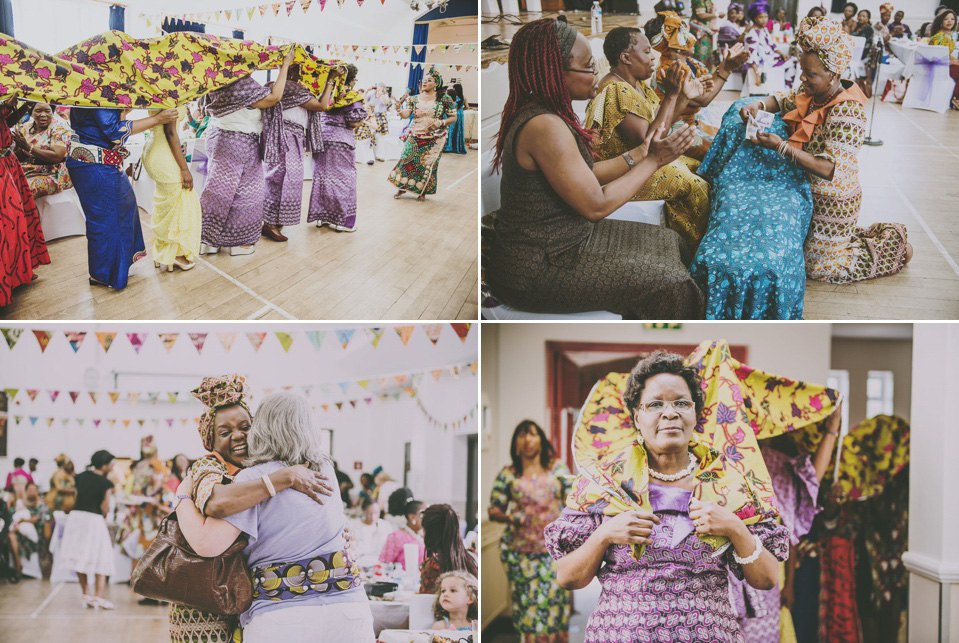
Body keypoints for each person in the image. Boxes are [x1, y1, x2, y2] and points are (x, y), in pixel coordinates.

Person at [545, 351, 789, 642]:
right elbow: (567, 577)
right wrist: (604, 535)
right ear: (637, 416)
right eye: (655, 404)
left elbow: (766, 579)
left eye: (681, 403)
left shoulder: (730, 483)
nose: (670, 413)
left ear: (696, 414)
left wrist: (735, 527)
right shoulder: (606, 483)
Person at [484, 17, 704, 319]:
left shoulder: (547, 114)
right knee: (672, 283)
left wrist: (640, 153)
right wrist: (654, 160)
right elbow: (595, 205)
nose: (597, 74)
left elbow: (586, 175)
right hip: (539, 266)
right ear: (556, 72)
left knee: (671, 241)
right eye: (589, 67)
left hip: (568, 238)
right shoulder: (544, 126)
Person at [173, 392, 374, 642]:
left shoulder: (251, 480)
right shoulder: (325, 468)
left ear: (261, 428)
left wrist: (182, 497)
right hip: (349, 607)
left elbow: (206, 543)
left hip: (282, 614)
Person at [741, 16, 911, 284]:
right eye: (802, 71)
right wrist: (759, 105)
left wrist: (780, 146)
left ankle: (893, 249)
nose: (803, 79)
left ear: (833, 74)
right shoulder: (814, 91)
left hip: (834, 200)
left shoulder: (848, 111)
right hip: (808, 190)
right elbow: (783, 100)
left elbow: (828, 168)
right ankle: (846, 240)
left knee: (821, 270)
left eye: (810, 74)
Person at [588, 27, 713, 253]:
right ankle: (696, 255)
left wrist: (683, 98)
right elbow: (649, 141)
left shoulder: (639, 85)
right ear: (625, 57)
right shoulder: (616, 89)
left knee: (704, 167)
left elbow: (659, 124)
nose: (653, 58)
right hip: (624, 172)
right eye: (647, 52)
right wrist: (673, 95)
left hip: (645, 160)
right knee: (696, 186)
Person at [729, 408, 842, 641]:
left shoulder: (774, 466)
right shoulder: (718, 464)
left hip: (765, 580)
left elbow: (810, 483)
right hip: (726, 583)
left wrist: (832, 427)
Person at [198, 48, 294, 256]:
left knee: (217, 192)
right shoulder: (241, 83)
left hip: (218, 137)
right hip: (239, 141)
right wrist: (284, 66)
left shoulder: (216, 79)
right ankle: (238, 243)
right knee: (246, 192)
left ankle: (208, 241)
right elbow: (274, 98)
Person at [68, 106, 177, 288]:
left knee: (120, 210)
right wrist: (158, 119)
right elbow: (114, 130)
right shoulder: (100, 86)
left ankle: (112, 267)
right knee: (106, 219)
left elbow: (101, 120)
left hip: (95, 162)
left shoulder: (92, 86)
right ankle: (103, 274)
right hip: (95, 164)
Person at [488, 420, 572, 643]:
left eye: (533, 434)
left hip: (554, 551)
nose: (527, 440)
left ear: (542, 440)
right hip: (520, 553)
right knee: (527, 606)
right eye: (522, 435)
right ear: (516, 442)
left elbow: (574, 501)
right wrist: (512, 517)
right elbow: (493, 509)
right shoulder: (509, 474)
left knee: (554, 603)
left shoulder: (557, 469)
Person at [648, 13, 750, 161]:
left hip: (693, 123)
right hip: (677, 131)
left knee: (733, 137)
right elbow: (703, 99)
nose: (693, 37)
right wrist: (726, 68)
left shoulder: (688, 62)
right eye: (685, 33)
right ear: (676, 44)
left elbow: (707, 88)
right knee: (724, 153)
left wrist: (725, 66)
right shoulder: (670, 69)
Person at [261, 65, 343, 242]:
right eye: (303, 70)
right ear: (292, 71)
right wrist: (330, 79)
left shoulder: (277, 86)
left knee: (279, 179)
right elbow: (322, 105)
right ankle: (269, 224)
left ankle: (273, 220)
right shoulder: (293, 88)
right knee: (281, 179)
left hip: (286, 136)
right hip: (288, 137)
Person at [0, 96, 50, 305]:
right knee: (8, 224)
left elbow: (6, 122)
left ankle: (20, 272)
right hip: (3, 166)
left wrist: (26, 103)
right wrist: (9, 104)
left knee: (21, 221)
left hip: (9, 162)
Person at [308, 64, 366, 233]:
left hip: (322, 139)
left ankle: (321, 217)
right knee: (344, 179)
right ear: (352, 80)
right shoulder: (351, 95)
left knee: (322, 177)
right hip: (341, 141)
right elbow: (353, 121)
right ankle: (342, 221)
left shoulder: (326, 91)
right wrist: (362, 120)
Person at [142, 106, 201, 272]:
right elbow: (170, 132)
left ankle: (163, 252)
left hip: (155, 148)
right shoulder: (171, 91)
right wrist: (184, 169)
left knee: (168, 203)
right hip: (162, 152)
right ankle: (173, 255)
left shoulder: (161, 90)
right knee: (180, 197)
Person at [388, 68, 456, 202]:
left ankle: (422, 191)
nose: (425, 83)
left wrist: (440, 122)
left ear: (436, 83)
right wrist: (399, 110)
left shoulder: (444, 98)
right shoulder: (414, 98)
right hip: (415, 135)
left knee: (427, 165)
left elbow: (453, 117)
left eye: (429, 80)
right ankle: (401, 188)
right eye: (424, 81)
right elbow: (406, 115)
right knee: (407, 160)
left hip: (435, 138)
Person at [59, 450, 116, 610]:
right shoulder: (106, 483)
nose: (112, 468)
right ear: (104, 465)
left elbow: (77, 497)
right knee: (102, 555)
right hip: (93, 519)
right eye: (111, 465)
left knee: (78, 555)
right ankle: (98, 597)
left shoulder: (80, 477)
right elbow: (105, 507)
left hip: (76, 517)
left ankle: (86, 593)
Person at [12, 102, 73, 199]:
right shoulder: (26, 127)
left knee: (24, 190)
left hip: (52, 173)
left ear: (52, 112)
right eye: (38, 111)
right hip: (27, 170)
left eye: (47, 111)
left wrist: (28, 147)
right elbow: (18, 155)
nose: (43, 115)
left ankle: (26, 214)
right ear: (31, 113)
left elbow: (57, 156)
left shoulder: (60, 127)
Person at [420, 504, 477, 594]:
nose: (423, 535)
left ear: (432, 533)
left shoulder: (433, 567)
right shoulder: (471, 559)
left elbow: (425, 601)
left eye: (424, 531)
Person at [6, 482, 51, 582]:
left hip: (37, 533)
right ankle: (18, 564)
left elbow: (38, 518)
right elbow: (12, 514)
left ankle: (18, 566)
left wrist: (23, 521)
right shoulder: (21, 504)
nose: (32, 492)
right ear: (26, 491)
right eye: (30, 490)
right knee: (10, 535)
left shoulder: (40, 505)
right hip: (20, 532)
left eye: (34, 490)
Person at [742, 2, 788, 94]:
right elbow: (752, 56)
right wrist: (757, 75)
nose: (764, 20)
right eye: (761, 17)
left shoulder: (764, 30)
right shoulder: (752, 34)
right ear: (755, 18)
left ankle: (784, 91)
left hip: (769, 58)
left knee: (791, 61)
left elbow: (772, 45)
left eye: (766, 17)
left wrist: (782, 53)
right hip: (760, 63)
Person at [379, 499, 425, 570]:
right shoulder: (396, 537)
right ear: (412, 517)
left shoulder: (424, 536)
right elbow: (385, 564)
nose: (426, 518)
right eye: (422, 514)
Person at [928, 10, 959, 104]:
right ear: (941, 21)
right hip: (939, 66)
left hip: (946, 64)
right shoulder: (939, 37)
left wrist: (955, 61)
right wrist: (954, 62)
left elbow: (948, 54)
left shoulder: (950, 36)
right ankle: (956, 99)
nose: (950, 21)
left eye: (952, 19)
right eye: (946, 19)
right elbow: (940, 56)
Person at [351, 497, 393, 562]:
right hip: (359, 563)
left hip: (380, 563)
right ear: (363, 511)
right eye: (369, 513)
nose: (373, 517)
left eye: (376, 513)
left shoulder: (386, 526)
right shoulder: (354, 526)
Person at [689, 0, 723, 66]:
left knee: (708, 56)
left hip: (707, 31)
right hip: (699, 32)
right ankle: (698, 74)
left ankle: (705, 73)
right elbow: (701, 15)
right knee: (700, 56)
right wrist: (717, 14)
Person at [443, 86, 467, 154]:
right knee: (458, 130)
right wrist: (461, 110)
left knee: (450, 130)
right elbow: (467, 107)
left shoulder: (450, 98)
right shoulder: (463, 97)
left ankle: (449, 146)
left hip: (451, 114)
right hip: (460, 114)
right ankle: (457, 146)